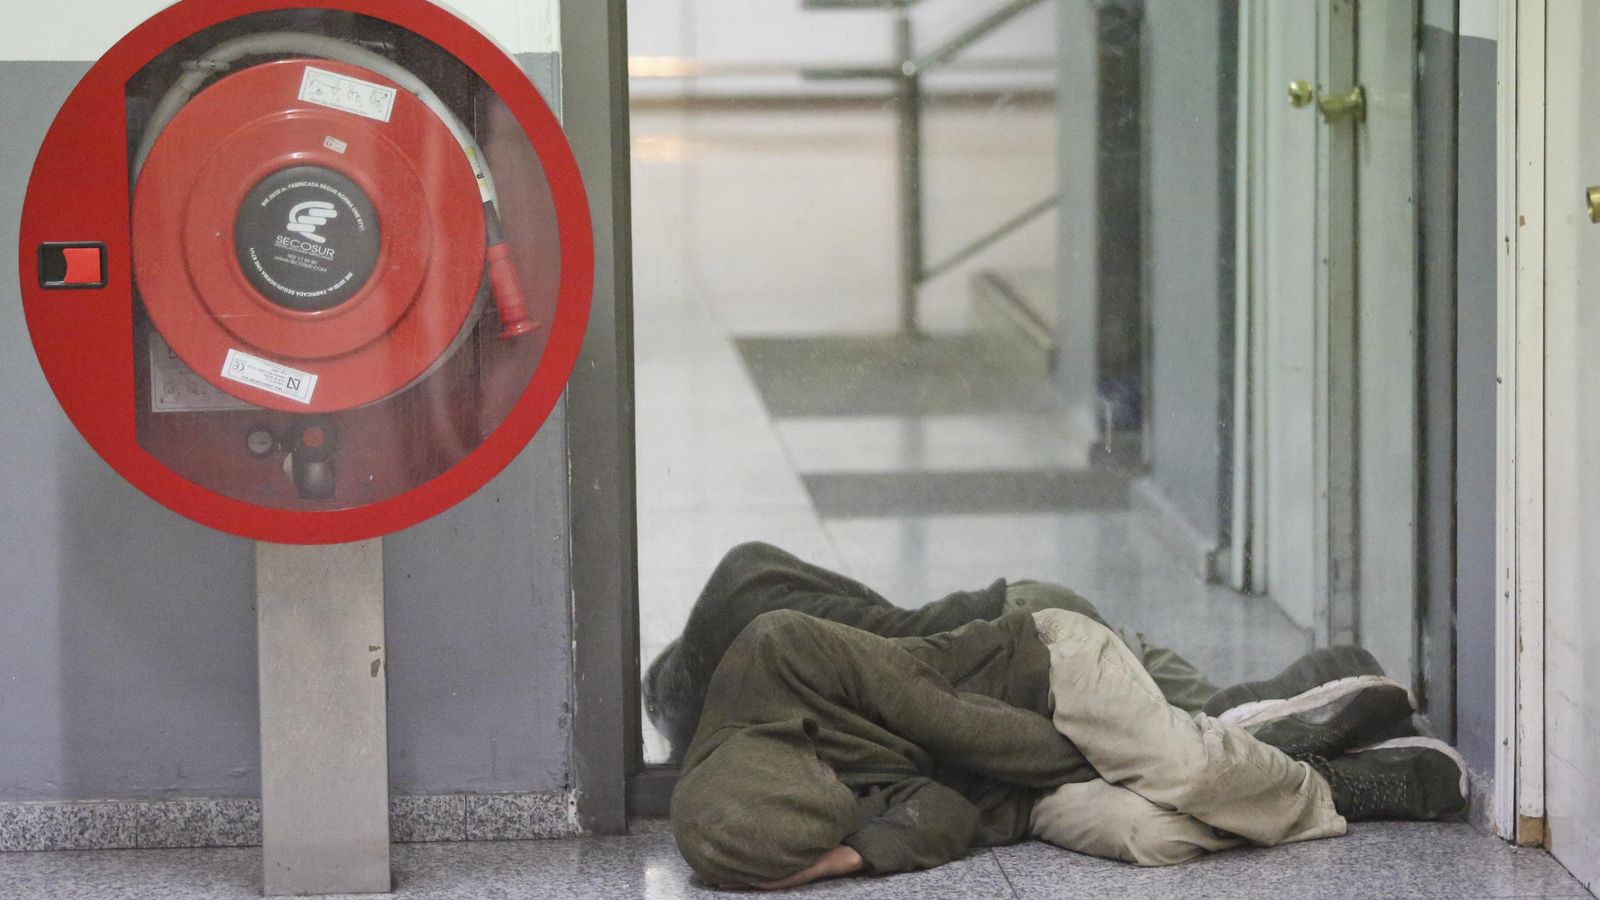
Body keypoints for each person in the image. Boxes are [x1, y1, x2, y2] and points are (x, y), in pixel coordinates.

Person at [662, 545, 1469, 888]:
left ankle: (1328, 783)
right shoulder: (773, 808)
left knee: (1184, 763)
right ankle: (1279, 746)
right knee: (1152, 833)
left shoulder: (782, 647)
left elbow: (959, 725)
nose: (847, 804)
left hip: (1044, 673)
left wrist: (1112, 763)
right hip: (1017, 788)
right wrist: (842, 859)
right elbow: (944, 815)